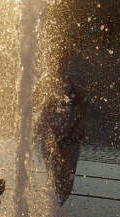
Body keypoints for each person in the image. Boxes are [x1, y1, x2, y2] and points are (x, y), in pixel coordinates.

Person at [35, 50, 87, 206]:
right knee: (55, 178)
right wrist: (47, 134)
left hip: (71, 138)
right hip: (51, 138)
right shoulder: (44, 82)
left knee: (67, 181)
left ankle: (54, 211)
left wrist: (77, 129)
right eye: (57, 60)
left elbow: (84, 107)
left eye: (63, 60)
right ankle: (52, 213)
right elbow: (40, 113)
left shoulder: (75, 81)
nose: (59, 64)